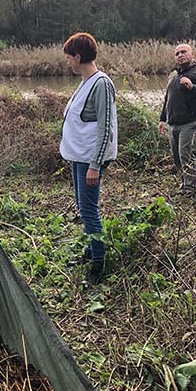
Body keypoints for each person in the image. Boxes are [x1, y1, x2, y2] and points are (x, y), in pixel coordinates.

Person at [60, 32, 118, 285]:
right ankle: (90, 250)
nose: (68, 62)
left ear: (79, 56)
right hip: (80, 157)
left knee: (90, 210)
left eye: (70, 58)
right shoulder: (86, 81)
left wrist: (95, 166)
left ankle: (98, 265)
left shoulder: (101, 84)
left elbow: (106, 127)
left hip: (90, 160)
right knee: (83, 208)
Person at [157, 43, 196, 197]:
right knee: (177, 157)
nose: (180, 55)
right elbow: (168, 98)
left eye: (183, 52)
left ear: (193, 54)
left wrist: (193, 87)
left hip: (192, 122)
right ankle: (185, 185)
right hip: (174, 124)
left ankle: (191, 190)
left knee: (187, 154)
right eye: (177, 53)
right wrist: (162, 119)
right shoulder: (173, 75)